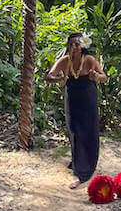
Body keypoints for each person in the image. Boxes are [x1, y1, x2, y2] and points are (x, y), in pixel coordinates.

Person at [45, 33, 107, 189]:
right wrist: (58, 79)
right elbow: (49, 76)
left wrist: (95, 76)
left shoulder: (90, 60)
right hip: (72, 101)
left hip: (88, 100)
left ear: (83, 46)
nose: (75, 47)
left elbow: (104, 76)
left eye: (78, 44)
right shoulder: (64, 61)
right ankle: (79, 168)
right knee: (75, 131)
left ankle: (84, 169)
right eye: (72, 44)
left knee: (89, 131)